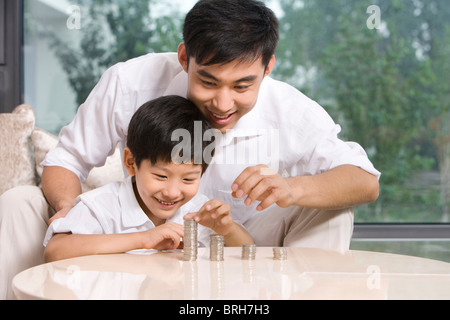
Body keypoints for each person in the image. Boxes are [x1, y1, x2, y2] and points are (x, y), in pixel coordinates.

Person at [0, 0, 380, 299]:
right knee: (19, 200)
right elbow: (66, 160)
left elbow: (364, 181)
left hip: (244, 245)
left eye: (242, 86)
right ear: (184, 58)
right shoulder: (130, 81)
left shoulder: (290, 109)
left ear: (268, 68)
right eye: (208, 81)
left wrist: (292, 188)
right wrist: (69, 215)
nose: (223, 102)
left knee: (331, 210)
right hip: (135, 241)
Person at [44, 96, 253, 262]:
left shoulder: (200, 211)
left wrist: (228, 229)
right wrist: (143, 240)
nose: (172, 191)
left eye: (188, 180)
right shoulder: (102, 206)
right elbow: (55, 251)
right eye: (161, 176)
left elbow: (251, 253)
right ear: (131, 162)